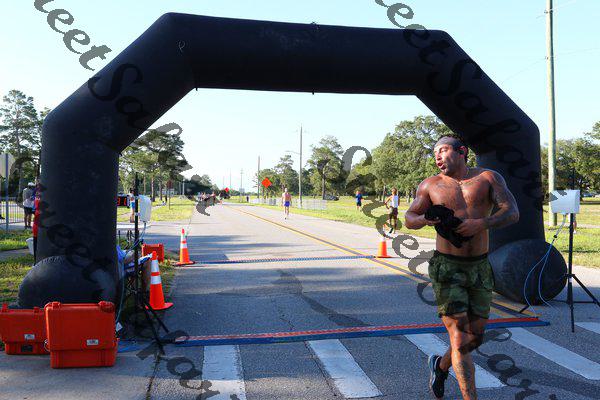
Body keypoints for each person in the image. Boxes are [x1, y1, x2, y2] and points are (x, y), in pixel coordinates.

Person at [404, 134, 519, 400]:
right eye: (435, 153)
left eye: (443, 150)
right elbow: (409, 218)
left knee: (474, 338)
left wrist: (482, 223)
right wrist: (425, 219)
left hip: (479, 267)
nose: (437, 156)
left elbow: (512, 212)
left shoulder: (488, 178)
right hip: (447, 268)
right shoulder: (430, 185)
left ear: (462, 151)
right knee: (459, 338)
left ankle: (440, 366)